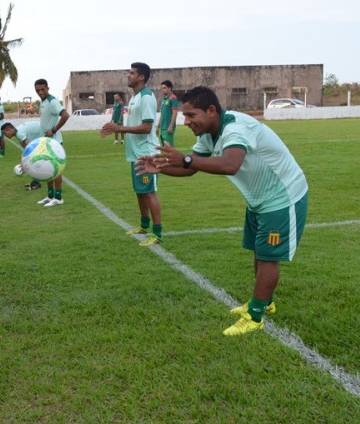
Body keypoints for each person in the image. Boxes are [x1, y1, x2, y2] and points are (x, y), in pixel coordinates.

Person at [135, 86, 308, 336]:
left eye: (191, 115)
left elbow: (230, 164)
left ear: (212, 111)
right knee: (260, 252)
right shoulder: (207, 134)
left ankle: (255, 316)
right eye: (184, 116)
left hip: (283, 197)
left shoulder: (236, 127)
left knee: (269, 257)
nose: (186, 122)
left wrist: (185, 159)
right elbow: (191, 168)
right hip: (259, 199)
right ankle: (264, 302)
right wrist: (161, 168)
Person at [100, 62, 163, 247]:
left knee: (150, 193)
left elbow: (147, 127)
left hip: (147, 154)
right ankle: (144, 226)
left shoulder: (146, 97)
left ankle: (157, 233)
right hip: (135, 154)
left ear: (141, 77)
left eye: (132, 73)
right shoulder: (135, 97)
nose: (128, 75)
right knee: (140, 192)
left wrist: (119, 128)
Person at [34, 78, 70, 207]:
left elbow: (65, 115)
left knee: (55, 170)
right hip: (46, 141)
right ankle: (50, 196)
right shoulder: (42, 102)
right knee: (47, 169)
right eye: (38, 90)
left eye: (43, 89)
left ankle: (58, 198)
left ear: (48, 88)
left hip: (54, 142)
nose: (40, 92)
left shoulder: (52, 101)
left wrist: (54, 130)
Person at [1, 121, 43, 191]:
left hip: (47, 134)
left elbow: (29, 149)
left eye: (5, 133)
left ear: (9, 129)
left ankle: (37, 183)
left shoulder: (19, 133)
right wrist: (23, 162)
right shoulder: (18, 132)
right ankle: (37, 181)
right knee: (32, 160)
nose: (5, 135)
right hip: (42, 137)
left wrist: (24, 164)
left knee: (33, 160)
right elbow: (26, 149)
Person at [157, 80, 179, 146]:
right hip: (162, 127)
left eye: (164, 88)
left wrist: (171, 126)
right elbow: (162, 114)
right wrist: (158, 126)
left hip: (168, 127)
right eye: (162, 88)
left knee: (168, 146)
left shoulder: (173, 98)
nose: (162, 90)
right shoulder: (164, 99)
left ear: (169, 88)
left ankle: (173, 157)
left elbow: (175, 113)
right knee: (164, 146)